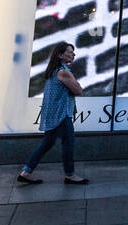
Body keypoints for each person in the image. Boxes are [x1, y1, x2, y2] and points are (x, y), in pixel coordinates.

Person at [18, 43, 89, 185]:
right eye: (69, 52)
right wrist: (76, 85)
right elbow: (78, 90)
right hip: (61, 114)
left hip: (52, 113)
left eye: (73, 52)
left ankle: (26, 172)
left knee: (47, 143)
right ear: (60, 55)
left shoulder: (53, 71)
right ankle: (70, 175)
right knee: (68, 143)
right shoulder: (63, 72)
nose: (73, 54)